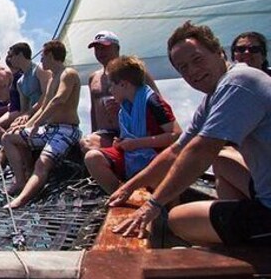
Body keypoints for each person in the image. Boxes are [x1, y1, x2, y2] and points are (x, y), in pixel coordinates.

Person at [112, 22, 271, 246]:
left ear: (219, 53)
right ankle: (240, 239)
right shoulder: (215, 95)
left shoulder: (238, 83)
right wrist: (130, 186)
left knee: (179, 220)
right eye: (183, 67)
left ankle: (250, 250)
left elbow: (201, 149)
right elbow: (177, 149)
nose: (192, 71)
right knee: (223, 161)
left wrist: (153, 205)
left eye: (197, 60)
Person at [2, 40, 82, 208]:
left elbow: (59, 100)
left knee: (42, 163)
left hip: (65, 130)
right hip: (49, 129)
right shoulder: (53, 77)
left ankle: (21, 199)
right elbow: (44, 105)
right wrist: (27, 126)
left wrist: (36, 124)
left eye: (43, 56)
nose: (41, 60)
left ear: (51, 55)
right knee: (8, 137)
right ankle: (21, 181)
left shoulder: (68, 74)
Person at [84, 56, 181, 193]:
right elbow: (129, 139)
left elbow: (176, 135)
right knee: (92, 158)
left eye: (112, 85)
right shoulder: (124, 108)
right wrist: (120, 142)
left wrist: (136, 143)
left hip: (156, 158)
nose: (110, 90)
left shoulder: (153, 102)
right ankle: (121, 193)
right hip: (132, 154)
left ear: (124, 84)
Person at [0, 43, 50, 179]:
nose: (9, 59)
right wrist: (21, 120)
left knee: (4, 136)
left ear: (19, 55)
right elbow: (24, 109)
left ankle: (25, 173)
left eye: (11, 56)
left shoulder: (40, 71)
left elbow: (47, 96)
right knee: (5, 135)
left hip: (44, 119)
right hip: (30, 118)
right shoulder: (21, 81)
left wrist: (28, 117)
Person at [79, 31, 159, 155]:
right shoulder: (93, 77)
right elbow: (93, 109)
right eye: (97, 48)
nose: (100, 52)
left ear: (117, 48)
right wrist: (93, 131)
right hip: (106, 133)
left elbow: (157, 100)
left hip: (134, 131)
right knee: (87, 143)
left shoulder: (135, 72)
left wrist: (125, 107)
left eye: (104, 48)